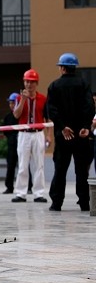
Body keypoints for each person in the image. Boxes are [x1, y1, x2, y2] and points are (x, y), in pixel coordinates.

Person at [47, 53, 95, 212]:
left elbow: (51, 110)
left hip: (63, 136)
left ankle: (56, 203)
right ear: (75, 67)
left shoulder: (54, 86)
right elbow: (89, 106)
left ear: (61, 68)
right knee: (81, 170)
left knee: (60, 170)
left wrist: (62, 127)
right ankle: (84, 203)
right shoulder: (84, 85)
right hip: (81, 135)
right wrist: (85, 126)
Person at [11, 69, 51, 203]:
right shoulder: (18, 98)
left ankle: (39, 193)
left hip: (38, 134)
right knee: (22, 164)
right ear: (24, 82)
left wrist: (49, 135)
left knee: (39, 164)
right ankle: (21, 193)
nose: (29, 84)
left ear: (37, 83)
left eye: (32, 82)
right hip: (23, 134)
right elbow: (16, 115)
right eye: (27, 81)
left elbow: (48, 119)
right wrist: (23, 99)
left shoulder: (43, 99)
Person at [2, 92, 32, 194]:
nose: (11, 105)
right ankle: (9, 187)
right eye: (10, 103)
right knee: (10, 166)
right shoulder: (7, 117)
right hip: (12, 145)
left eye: (13, 103)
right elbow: (5, 131)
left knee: (24, 165)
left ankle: (28, 187)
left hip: (23, 143)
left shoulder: (22, 115)